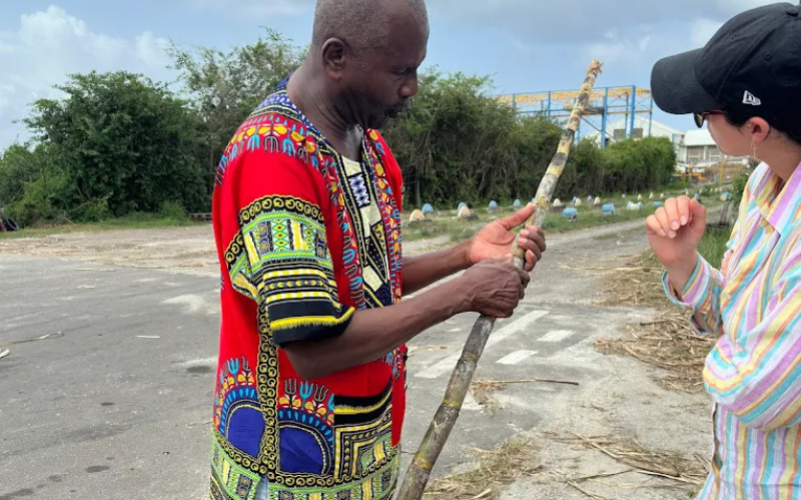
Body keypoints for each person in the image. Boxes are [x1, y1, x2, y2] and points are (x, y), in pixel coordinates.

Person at [208, 0, 547, 498]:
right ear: (336, 57)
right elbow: (314, 346)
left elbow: (370, 284)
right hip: (288, 472)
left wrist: (465, 256)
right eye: (400, 70)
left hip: (366, 456)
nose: (411, 87)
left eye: (417, 68)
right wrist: (462, 294)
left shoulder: (365, 145)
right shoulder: (273, 160)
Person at [647, 3, 801, 499]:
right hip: (732, 477)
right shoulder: (764, 183)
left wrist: (739, 354)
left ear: (755, 128)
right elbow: (738, 321)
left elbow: (759, 393)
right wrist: (684, 264)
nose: (702, 124)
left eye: (703, 113)